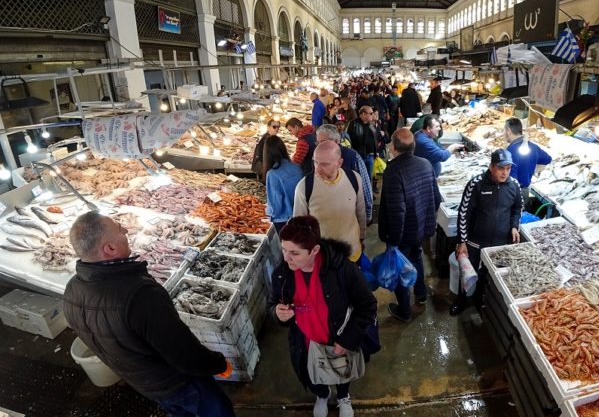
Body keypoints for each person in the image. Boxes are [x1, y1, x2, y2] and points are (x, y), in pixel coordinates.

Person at [62, 212, 235, 416]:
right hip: (180, 383)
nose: (126, 231)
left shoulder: (71, 290)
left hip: (146, 385)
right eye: (120, 229)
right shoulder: (140, 296)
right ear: (110, 248)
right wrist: (218, 363)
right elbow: (184, 354)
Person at [269, 216, 377, 417]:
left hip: (337, 337)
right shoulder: (283, 274)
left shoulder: (343, 270)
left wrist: (348, 340)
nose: (286, 258)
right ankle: (322, 395)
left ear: (315, 250)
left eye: (294, 253)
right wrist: (277, 313)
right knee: (312, 374)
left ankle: (343, 397)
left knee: (342, 371)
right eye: (283, 250)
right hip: (305, 341)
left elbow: (368, 306)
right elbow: (272, 304)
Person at [451, 149, 524, 316]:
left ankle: (478, 300)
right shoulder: (476, 184)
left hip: (499, 243)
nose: (505, 172)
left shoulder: (514, 185)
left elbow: (517, 208)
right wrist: (461, 241)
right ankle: (461, 301)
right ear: (491, 167)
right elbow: (464, 213)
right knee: (467, 273)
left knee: (487, 275)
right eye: (500, 168)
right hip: (475, 242)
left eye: (508, 168)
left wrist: (514, 226)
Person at [379, 129, 441, 322]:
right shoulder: (424, 164)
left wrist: (394, 241)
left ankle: (404, 311)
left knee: (399, 269)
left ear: (395, 147)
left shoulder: (393, 171)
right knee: (416, 258)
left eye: (390, 143)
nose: (389, 146)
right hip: (421, 230)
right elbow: (436, 198)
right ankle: (421, 295)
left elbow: (397, 212)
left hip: (402, 233)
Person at [294, 141, 366, 262]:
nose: (318, 168)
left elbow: (361, 212)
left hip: (352, 253)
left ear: (339, 163)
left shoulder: (354, 179)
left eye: (325, 164)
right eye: (315, 162)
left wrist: (362, 237)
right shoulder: (304, 187)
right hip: (323, 258)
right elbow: (298, 225)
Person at [316, 124, 373, 224]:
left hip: (350, 215)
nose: (320, 146)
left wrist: (367, 214)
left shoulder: (353, 157)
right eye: (318, 142)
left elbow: (365, 187)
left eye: (324, 142)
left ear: (337, 141)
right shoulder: (316, 158)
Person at [504, 118, 552, 205]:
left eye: (504, 131)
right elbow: (548, 159)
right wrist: (531, 170)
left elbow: (509, 179)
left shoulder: (509, 151)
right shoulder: (533, 147)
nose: (503, 134)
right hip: (524, 192)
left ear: (509, 131)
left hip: (511, 194)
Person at [264, 135, 304, 233]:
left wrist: (266, 211)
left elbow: (276, 206)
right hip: (300, 216)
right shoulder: (296, 167)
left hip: (284, 221)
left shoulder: (273, 174)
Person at [346, 105, 378, 180]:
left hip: (370, 156)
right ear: (363, 114)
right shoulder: (353, 124)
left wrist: (376, 151)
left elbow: (374, 139)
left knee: (369, 178)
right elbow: (349, 140)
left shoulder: (371, 124)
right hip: (359, 156)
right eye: (371, 113)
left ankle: (369, 191)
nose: (372, 115)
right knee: (359, 178)